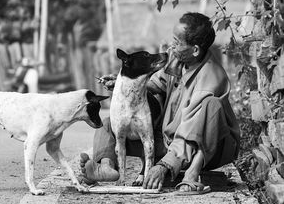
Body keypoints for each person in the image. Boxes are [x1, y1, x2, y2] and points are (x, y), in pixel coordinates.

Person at [79, 12, 240, 193]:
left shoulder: (210, 78)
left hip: (203, 147)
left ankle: (192, 173)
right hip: (168, 140)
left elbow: (190, 131)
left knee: (212, 105)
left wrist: (165, 164)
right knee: (109, 124)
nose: (172, 46)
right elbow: (155, 84)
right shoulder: (178, 60)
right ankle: (107, 167)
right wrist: (124, 83)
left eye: (177, 42)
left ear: (195, 50)